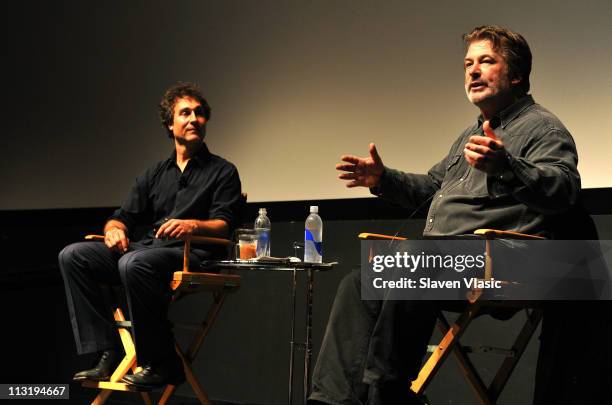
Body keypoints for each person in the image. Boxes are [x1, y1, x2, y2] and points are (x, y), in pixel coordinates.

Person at [308, 26, 581, 405]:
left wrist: (507, 166)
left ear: (516, 75)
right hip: (443, 260)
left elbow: (564, 190)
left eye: (486, 61)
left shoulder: (543, 128)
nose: (472, 71)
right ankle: (332, 400)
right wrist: (383, 179)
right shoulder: (469, 135)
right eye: (468, 63)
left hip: (503, 264)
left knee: (413, 261)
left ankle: (386, 394)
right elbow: (431, 188)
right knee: (358, 281)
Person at [58, 82, 242, 389]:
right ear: (170, 125)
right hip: (149, 251)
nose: (194, 118)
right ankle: (107, 352)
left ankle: (161, 362)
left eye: (199, 113)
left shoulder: (223, 171)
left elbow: (224, 224)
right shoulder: (155, 173)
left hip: (195, 254)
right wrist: (114, 230)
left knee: (134, 263)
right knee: (74, 255)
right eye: (185, 113)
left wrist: (192, 226)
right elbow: (122, 217)